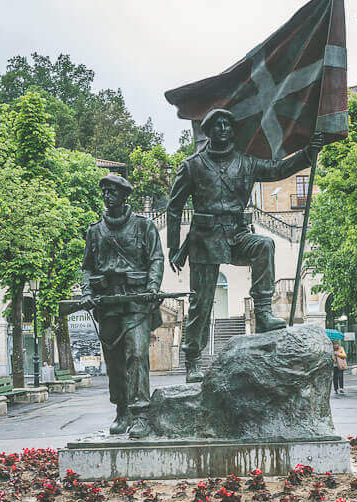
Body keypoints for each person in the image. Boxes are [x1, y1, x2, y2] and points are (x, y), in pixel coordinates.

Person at [165, 108, 324, 383]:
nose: (223, 128)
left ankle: (262, 312)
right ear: (208, 130)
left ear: (233, 131)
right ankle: (192, 359)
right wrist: (173, 246)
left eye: (228, 124)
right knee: (201, 303)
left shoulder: (246, 163)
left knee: (264, 245)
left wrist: (308, 153)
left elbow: (278, 169)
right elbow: (174, 207)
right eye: (217, 124)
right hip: (205, 238)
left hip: (237, 233)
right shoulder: (193, 165)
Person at [80, 173, 164, 439]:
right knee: (114, 362)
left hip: (137, 301)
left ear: (125, 195)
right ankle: (122, 410)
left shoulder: (143, 226)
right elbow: (87, 268)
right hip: (108, 305)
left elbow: (156, 259)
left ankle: (140, 413)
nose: (107, 195)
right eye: (104, 191)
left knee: (137, 355)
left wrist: (152, 287)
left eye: (112, 191)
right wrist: (86, 292)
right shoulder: (94, 231)